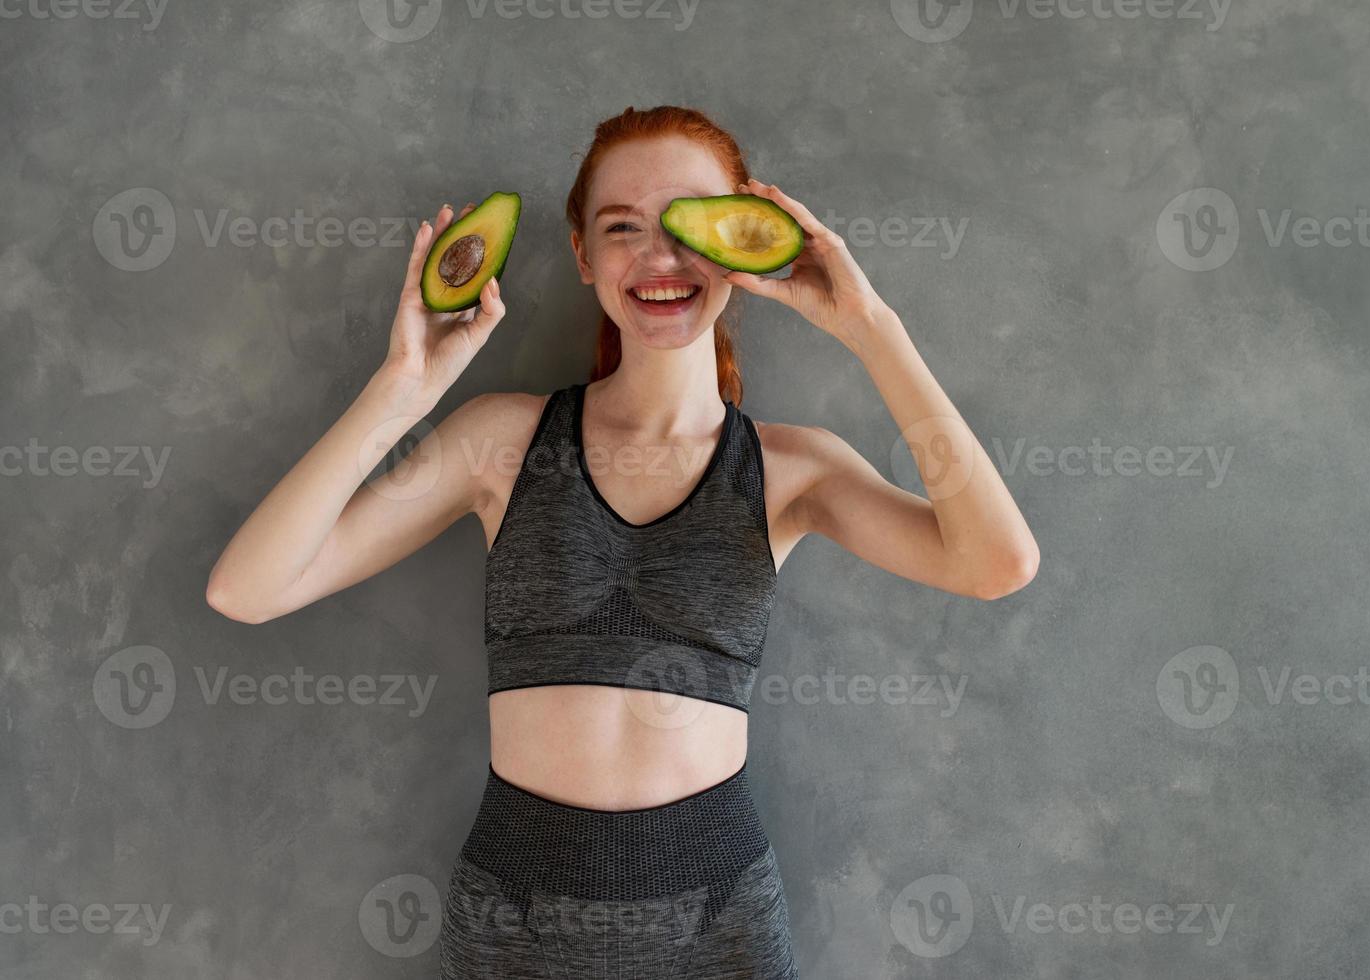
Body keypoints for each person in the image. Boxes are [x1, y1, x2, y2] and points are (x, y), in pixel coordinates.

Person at [206, 104, 1039, 979]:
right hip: (512, 923)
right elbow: (248, 589)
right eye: (622, 228)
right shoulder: (501, 440)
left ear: (745, 244)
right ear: (581, 254)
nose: (660, 259)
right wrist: (401, 388)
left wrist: (869, 327)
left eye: (691, 226)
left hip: (719, 928)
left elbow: (995, 563)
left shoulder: (795, 470)